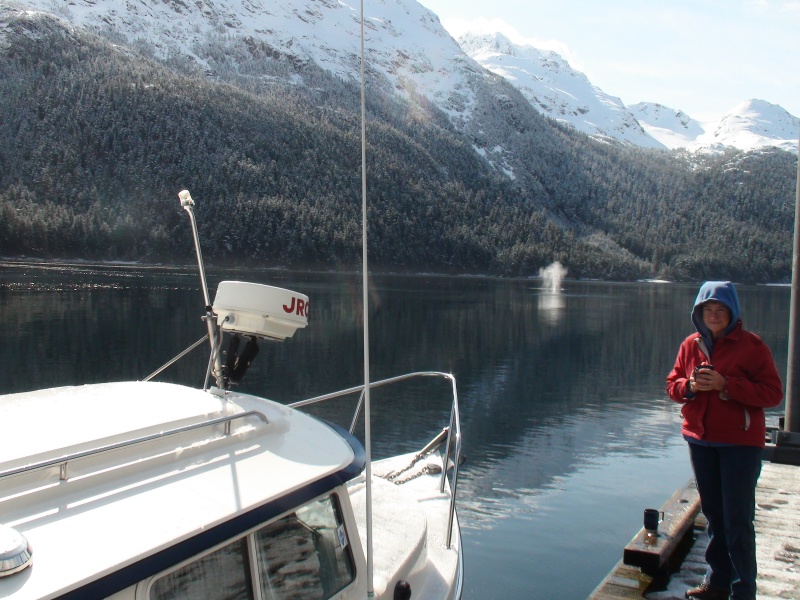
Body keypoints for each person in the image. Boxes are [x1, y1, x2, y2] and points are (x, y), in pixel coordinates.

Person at [666, 281, 783, 600]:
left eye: (720, 310)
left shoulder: (752, 346)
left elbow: (773, 394)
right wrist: (689, 386)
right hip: (701, 441)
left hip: (740, 443)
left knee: (737, 518)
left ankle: (743, 591)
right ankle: (717, 583)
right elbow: (672, 385)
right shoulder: (691, 345)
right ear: (699, 313)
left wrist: (726, 385)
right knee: (715, 516)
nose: (714, 316)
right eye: (708, 310)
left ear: (732, 313)